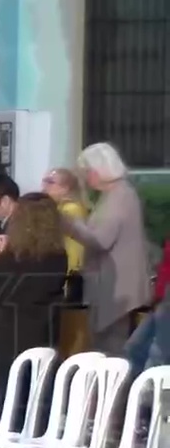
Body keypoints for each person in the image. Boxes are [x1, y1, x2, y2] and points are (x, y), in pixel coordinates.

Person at [0, 193, 69, 406]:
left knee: (8, 407)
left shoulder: (16, 258)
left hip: (9, 341)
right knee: (37, 406)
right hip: (42, 338)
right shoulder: (58, 256)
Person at [64, 142, 150, 354]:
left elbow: (101, 240)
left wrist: (70, 224)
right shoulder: (116, 194)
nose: (85, 177)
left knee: (111, 351)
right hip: (111, 286)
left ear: (97, 170)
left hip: (116, 291)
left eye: (87, 171)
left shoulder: (120, 196)